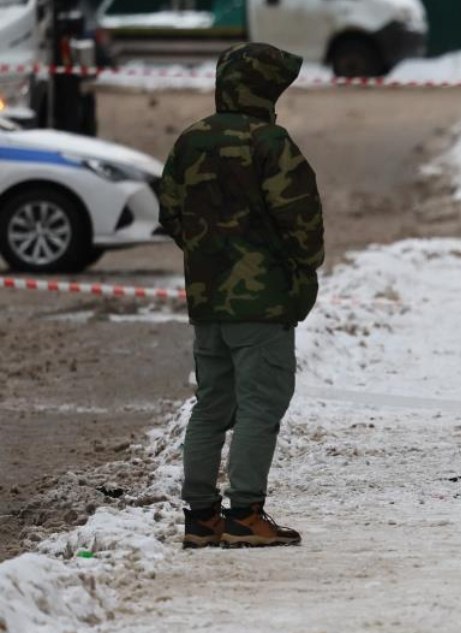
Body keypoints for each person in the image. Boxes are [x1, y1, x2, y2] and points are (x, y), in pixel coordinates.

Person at [158, 43, 325, 549]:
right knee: (260, 405)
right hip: (263, 302)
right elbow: (303, 225)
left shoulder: (191, 140)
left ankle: (202, 517)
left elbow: (171, 212)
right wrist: (296, 267)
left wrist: (210, 256)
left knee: (212, 405)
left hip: (208, 301)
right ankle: (245, 514)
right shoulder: (270, 143)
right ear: (264, 88)